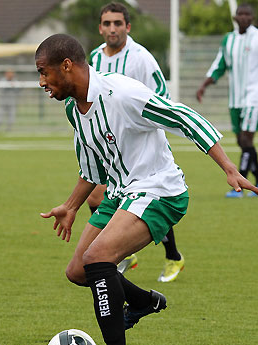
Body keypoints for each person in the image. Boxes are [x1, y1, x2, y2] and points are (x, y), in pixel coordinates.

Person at [35, 34, 258, 345]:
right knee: (78, 271)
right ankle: (145, 302)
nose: (41, 82)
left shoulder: (122, 93)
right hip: (121, 192)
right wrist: (70, 207)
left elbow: (184, 117)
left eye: (43, 72)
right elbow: (93, 169)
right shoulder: (74, 109)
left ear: (66, 66)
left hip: (159, 189)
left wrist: (229, 168)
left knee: (98, 259)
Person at [88, 2, 183, 283]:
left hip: (141, 147)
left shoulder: (141, 58)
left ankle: (173, 257)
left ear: (127, 27)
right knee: (96, 197)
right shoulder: (94, 58)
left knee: (147, 201)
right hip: (109, 145)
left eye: (118, 23)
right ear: (101, 28)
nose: (112, 29)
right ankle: (126, 254)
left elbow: (161, 99)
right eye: (107, 24)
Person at [196, 3, 258, 198]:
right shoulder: (229, 40)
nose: (243, 17)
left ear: (252, 18)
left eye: (247, 14)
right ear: (235, 17)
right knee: (241, 141)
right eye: (240, 14)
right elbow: (220, 65)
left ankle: (240, 183)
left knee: (246, 139)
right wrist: (204, 85)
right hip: (235, 99)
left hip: (255, 97)